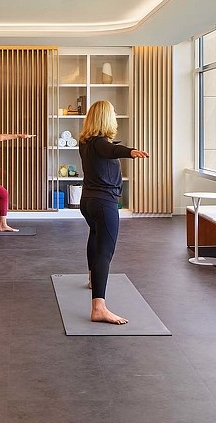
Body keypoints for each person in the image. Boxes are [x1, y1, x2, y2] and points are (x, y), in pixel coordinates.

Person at [78, 100, 148, 325]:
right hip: (103, 203)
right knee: (105, 252)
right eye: (114, 113)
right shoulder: (100, 143)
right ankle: (99, 307)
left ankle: (92, 278)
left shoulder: (86, 142)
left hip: (88, 201)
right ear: (106, 118)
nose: (116, 116)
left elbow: (107, 150)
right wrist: (130, 151)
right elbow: (111, 150)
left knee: (95, 238)